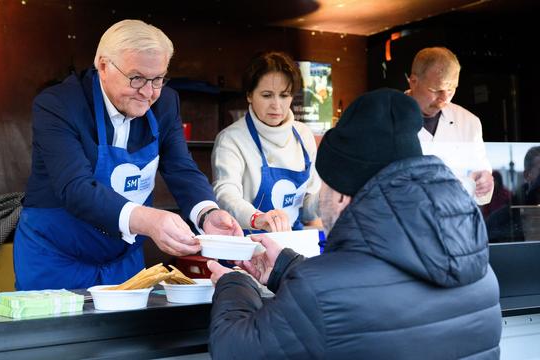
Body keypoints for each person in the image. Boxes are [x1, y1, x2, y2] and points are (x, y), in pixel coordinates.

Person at [206, 88, 502, 359]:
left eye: (325, 185)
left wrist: (235, 284)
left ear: (343, 196)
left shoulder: (321, 290)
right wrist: (286, 267)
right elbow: (370, 290)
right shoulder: (481, 272)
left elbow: (234, 350)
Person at [13, 19, 241, 291]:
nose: (148, 92)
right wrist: (149, 220)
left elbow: (180, 166)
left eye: (158, 79)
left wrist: (207, 213)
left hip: (123, 261)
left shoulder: (165, 102)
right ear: (104, 66)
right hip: (56, 259)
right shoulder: (59, 105)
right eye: (136, 78)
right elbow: (75, 187)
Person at [211, 51, 321, 233]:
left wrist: (328, 199)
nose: (277, 105)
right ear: (249, 95)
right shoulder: (231, 139)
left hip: (292, 246)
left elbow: (308, 210)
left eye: (284, 95)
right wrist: (257, 218)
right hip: (247, 247)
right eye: (267, 95)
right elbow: (225, 195)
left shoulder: (303, 135)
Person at [407, 46, 494, 205]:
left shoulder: (469, 122)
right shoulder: (387, 117)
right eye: (436, 90)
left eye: (451, 89)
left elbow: (482, 179)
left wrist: (485, 181)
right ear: (413, 81)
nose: (444, 98)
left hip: (456, 223)